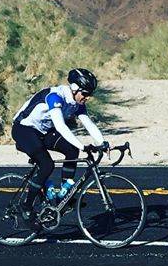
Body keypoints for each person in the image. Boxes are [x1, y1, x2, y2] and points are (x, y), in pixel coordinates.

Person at [11, 68, 108, 219]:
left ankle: (64, 194)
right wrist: (83, 146)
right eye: (85, 94)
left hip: (43, 132)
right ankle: (27, 206)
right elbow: (61, 126)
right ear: (74, 89)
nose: (88, 97)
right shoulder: (55, 97)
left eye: (90, 94)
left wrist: (103, 142)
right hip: (23, 129)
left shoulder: (77, 102)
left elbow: (88, 123)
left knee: (72, 150)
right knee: (47, 165)